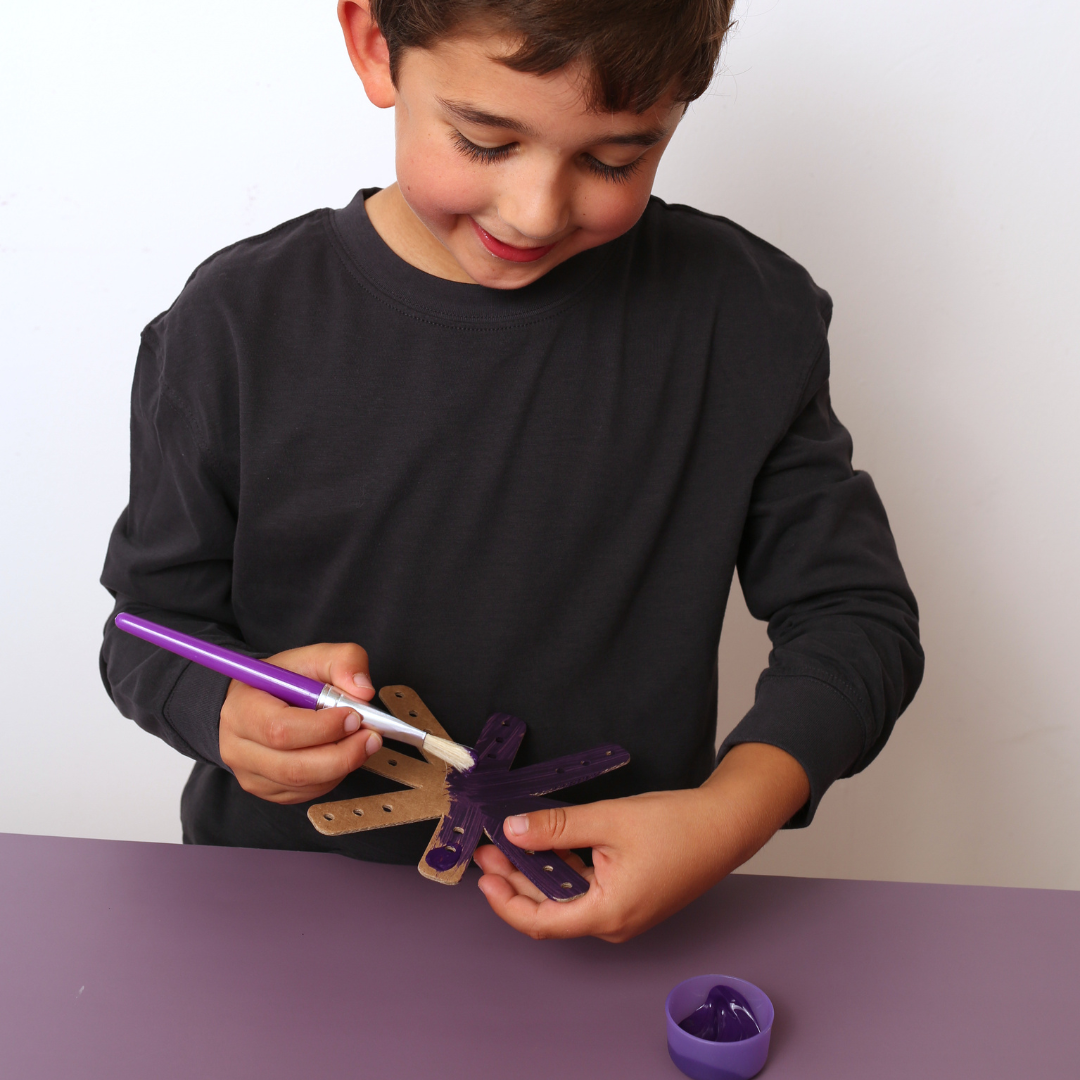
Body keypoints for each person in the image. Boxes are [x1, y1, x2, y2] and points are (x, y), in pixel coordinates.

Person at [100, 0, 923, 943]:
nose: (535, 212)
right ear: (376, 46)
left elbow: (856, 621)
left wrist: (730, 813)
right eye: (484, 140)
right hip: (275, 923)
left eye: (615, 159)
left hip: (602, 923)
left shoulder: (744, 316)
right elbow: (146, 632)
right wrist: (220, 713)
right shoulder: (232, 325)